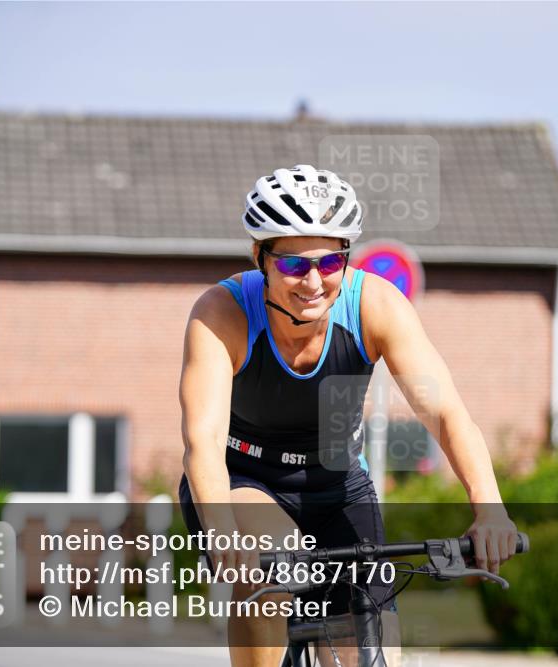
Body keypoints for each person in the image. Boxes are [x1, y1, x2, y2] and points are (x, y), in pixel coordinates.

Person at [178, 164, 518, 667]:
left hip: (337, 482)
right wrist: (223, 528)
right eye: (294, 265)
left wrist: (489, 508)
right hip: (243, 478)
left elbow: (446, 413)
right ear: (261, 259)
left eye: (330, 262)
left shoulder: (375, 305)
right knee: (272, 574)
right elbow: (202, 442)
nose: (313, 281)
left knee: (376, 649)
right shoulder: (221, 314)